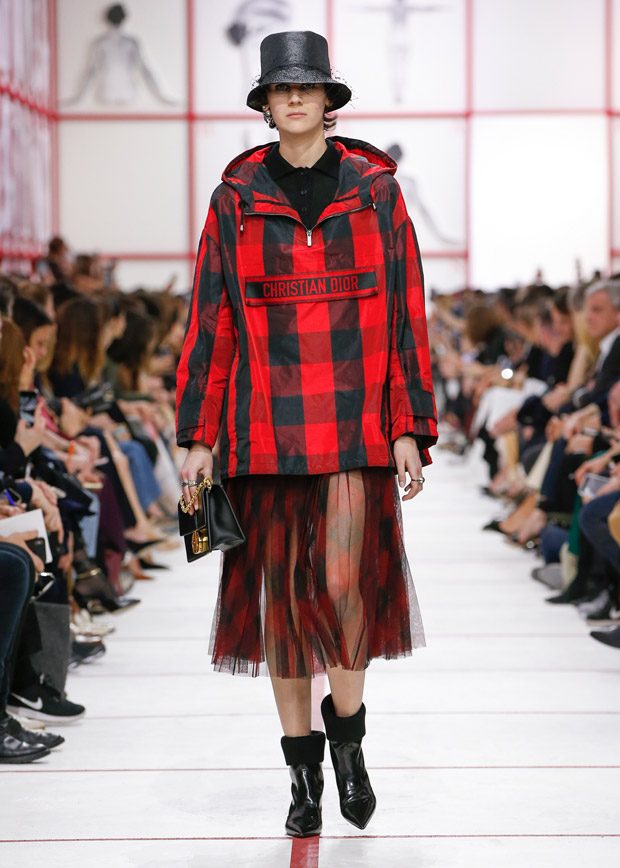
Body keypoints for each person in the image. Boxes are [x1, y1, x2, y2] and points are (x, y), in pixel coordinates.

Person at [176, 30, 437, 838]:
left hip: (356, 422)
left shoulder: (376, 192)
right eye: (279, 89)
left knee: (348, 590)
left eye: (306, 86)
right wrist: (198, 436)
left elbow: (407, 313)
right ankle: (302, 770)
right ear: (265, 104)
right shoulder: (235, 199)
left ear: (328, 100)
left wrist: (409, 425)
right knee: (283, 613)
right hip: (265, 429)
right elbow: (212, 322)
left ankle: (347, 741)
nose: (293, 98)